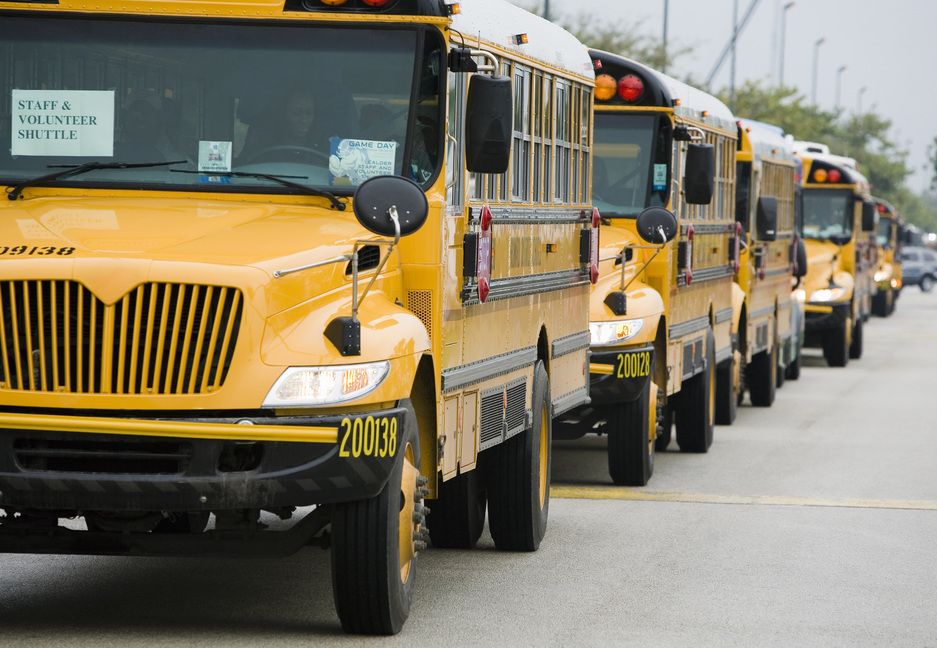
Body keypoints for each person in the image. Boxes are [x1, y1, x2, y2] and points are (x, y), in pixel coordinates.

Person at [120, 89, 186, 161]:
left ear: (160, 119)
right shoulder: (112, 153)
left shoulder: (177, 162)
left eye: (149, 113)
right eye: (136, 113)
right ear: (124, 118)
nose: (142, 119)